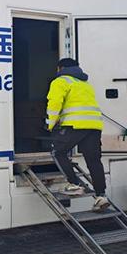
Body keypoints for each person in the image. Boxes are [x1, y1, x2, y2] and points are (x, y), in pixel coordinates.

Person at [46, 58, 110, 211]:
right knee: (93, 160)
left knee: (58, 152)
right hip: (94, 126)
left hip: (75, 125)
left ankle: (75, 184)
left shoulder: (60, 81)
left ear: (60, 68)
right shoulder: (85, 83)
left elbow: (54, 104)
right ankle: (101, 196)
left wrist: (50, 124)